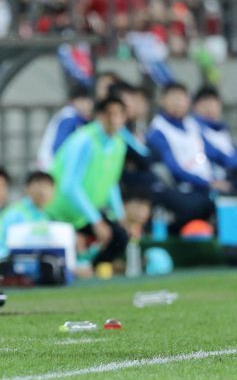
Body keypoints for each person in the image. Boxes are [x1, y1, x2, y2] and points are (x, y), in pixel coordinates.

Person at [46, 96, 129, 267]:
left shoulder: (119, 143)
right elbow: (69, 186)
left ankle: (90, 270)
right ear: (99, 115)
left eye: (119, 114)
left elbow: (111, 183)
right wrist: (96, 220)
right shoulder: (84, 140)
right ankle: (79, 268)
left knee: (120, 237)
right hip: (59, 213)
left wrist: (120, 215)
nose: (114, 119)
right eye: (110, 114)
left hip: (84, 214)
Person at [146, 83, 231, 233]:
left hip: (206, 186)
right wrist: (208, 183)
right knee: (209, 204)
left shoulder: (193, 125)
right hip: (182, 189)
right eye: (174, 97)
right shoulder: (158, 130)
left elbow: (217, 154)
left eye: (182, 98)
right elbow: (174, 169)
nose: (178, 102)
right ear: (162, 100)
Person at [37, 85, 93, 170]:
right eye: (83, 101)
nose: (88, 105)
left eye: (90, 102)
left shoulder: (76, 118)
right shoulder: (69, 118)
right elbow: (59, 148)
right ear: (73, 101)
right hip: (52, 167)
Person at [191, 86, 237, 188]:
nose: (209, 109)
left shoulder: (222, 130)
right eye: (205, 105)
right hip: (211, 180)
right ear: (195, 106)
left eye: (213, 104)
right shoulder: (193, 127)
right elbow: (217, 155)